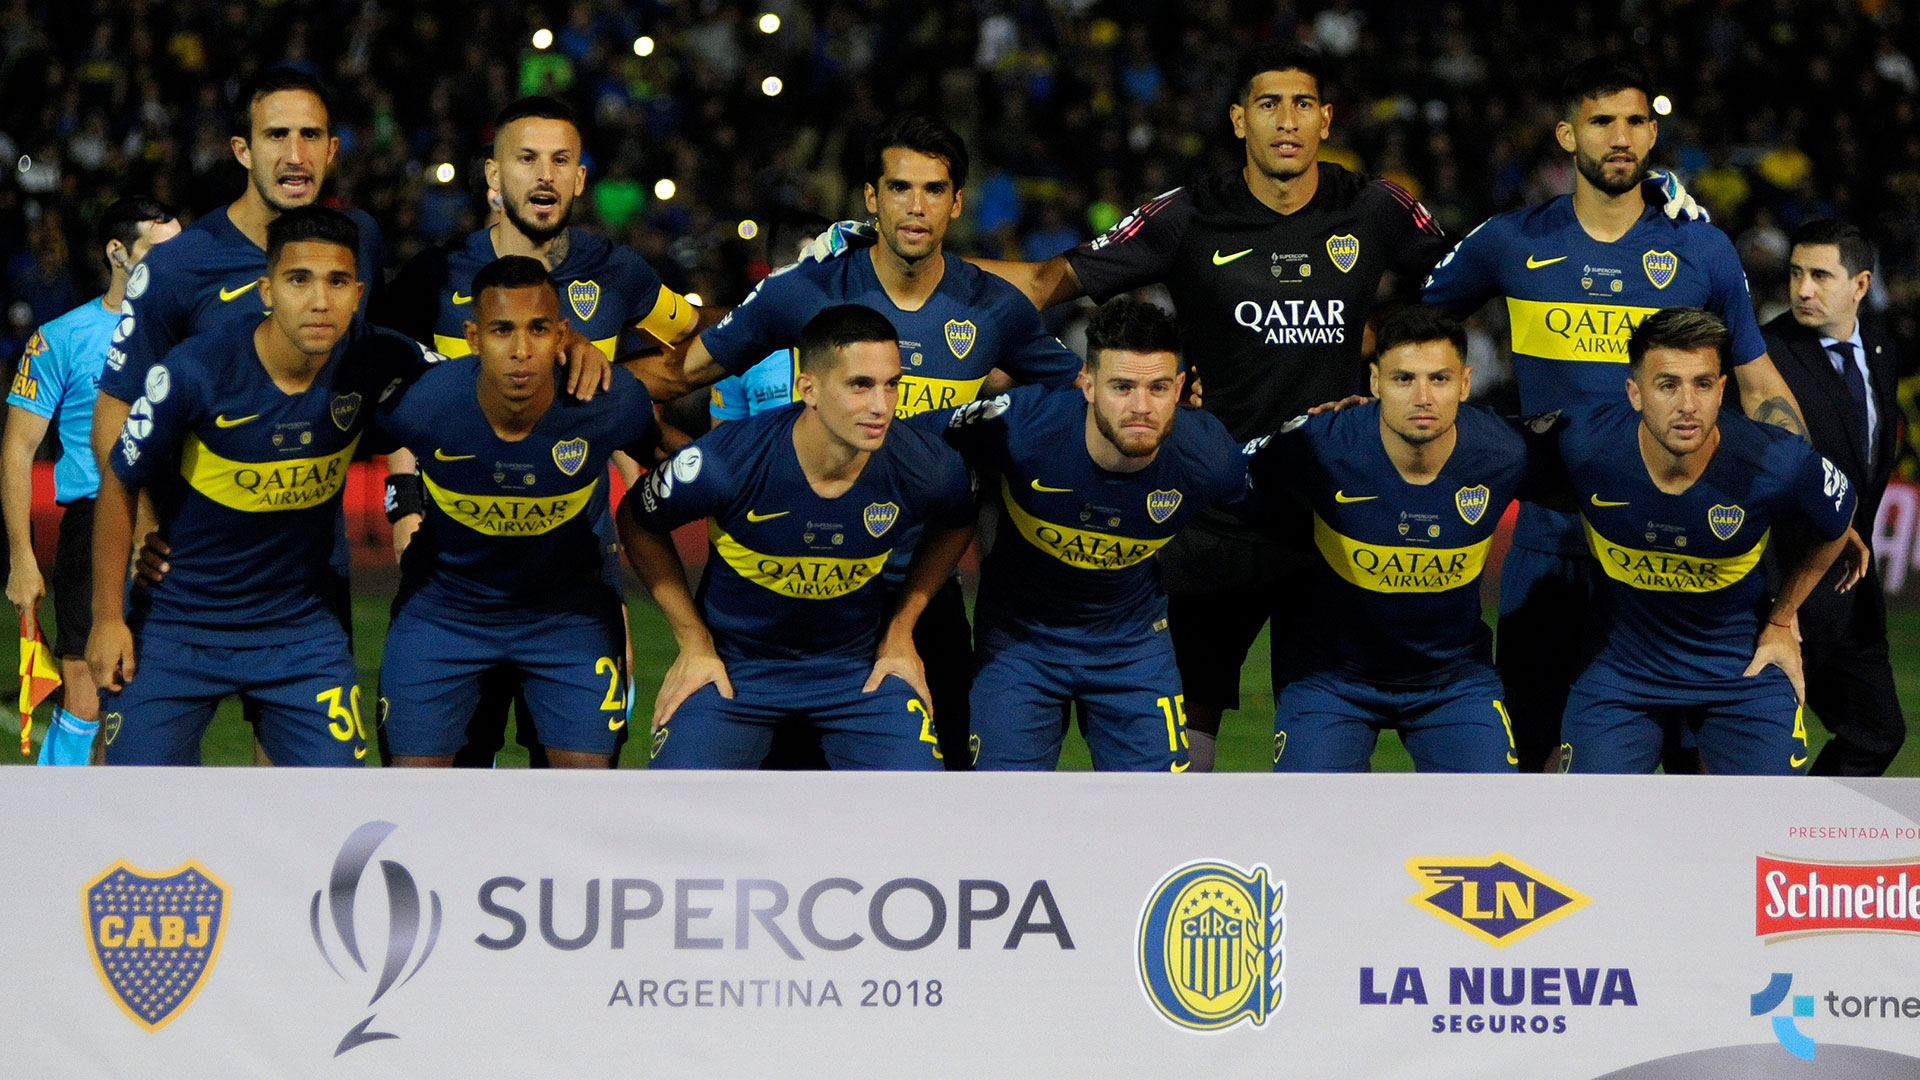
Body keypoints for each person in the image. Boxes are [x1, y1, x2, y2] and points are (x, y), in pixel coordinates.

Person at [961, 41, 1456, 770]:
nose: (1285, 121)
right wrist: (910, 262)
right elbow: (1042, 281)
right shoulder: (1188, 215)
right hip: (1208, 517)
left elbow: (1467, 279)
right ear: (1237, 119)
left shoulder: (1375, 208)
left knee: (1322, 749)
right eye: (1267, 104)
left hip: (1332, 520)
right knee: (1184, 753)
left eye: (1302, 104)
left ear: (1325, 119)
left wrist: (1391, 366)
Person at [1421, 56, 1819, 772]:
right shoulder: (1511, 241)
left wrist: (1809, 490)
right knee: (1537, 760)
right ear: (1567, 134)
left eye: (1636, 120)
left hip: (1677, 555)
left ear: (1653, 134)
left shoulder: (1700, 247)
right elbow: (1409, 335)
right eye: (1601, 121)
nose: (1621, 136)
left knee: (1697, 771)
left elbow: (1759, 383)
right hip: (1552, 547)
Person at [659, 114, 1084, 770]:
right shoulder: (804, 291)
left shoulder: (994, 308)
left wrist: (1173, 399)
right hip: (799, 586)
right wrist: (594, 374)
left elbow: (1087, 396)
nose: (916, 206)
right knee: (781, 790)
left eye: (934, 190)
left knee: (934, 792)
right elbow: (681, 373)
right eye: (899, 188)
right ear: (870, 197)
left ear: (956, 202)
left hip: (919, 586)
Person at [86, 208, 438, 765]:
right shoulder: (193, 371)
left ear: (358, 295)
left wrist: (572, 351)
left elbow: (483, 380)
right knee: (137, 801)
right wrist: (107, 620)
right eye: (299, 280)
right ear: (266, 290)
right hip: (177, 625)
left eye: (337, 282)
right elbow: (119, 479)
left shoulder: (381, 356)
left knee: (339, 803)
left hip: (302, 634)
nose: (319, 300)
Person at [375, 94, 663, 767]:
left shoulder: (619, 272)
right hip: (450, 574)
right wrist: (404, 511)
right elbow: (395, 403)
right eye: (527, 158)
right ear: (493, 175)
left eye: (560, 161)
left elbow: (683, 359)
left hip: (573, 579)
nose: (544, 175)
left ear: (580, 178)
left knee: (575, 796)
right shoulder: (432, 276)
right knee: (438, 788)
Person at [619, 304, 973, 770]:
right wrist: (693, 641)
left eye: (891, 384)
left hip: (858, 674)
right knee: (676, 803)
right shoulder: (727, 462)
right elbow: (636, 518)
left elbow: (957, 519)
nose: (881, 406)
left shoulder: (926, 464)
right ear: (809, 388)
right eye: (860, 385)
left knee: (921, 805)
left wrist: (902, 630)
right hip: (733, 673)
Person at [913, 299, 1246, 771]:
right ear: (1087, 384)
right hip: (1018, 645)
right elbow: (902, 439)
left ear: (1180, 388)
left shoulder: (1211, 457)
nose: (1141, 407)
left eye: (1157, 388)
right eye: (1122, 386)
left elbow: (1277, 498)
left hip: (1133, 646)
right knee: (1001, 804)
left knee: (1160, 807)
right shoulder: (1021, 425)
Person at [1554, 308, 1855, 774]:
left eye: (1702, 384)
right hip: (1622, 673)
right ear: (1634, 393)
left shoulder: (1773, 459)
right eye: (1667, 385)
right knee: (1585, 812)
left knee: (1775, 813)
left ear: (1721, 389)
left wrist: (1781, 619)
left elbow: (1838, 520)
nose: (1688, 405)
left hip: (1741, 671)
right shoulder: (1581, 445)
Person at [1249, 306, 1533, 772]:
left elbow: (1592, 467)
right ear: (1375, 382)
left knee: (1493, 812)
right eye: (1404, 379)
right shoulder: (1319, 442)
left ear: (1465, 383)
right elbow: (1227, 471)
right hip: (1331, 680)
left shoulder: (1507, 449)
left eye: (1439, 379)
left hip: (1456, 682)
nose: (1423, 397)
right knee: (1306, 813)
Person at [3, 197, 179, 764]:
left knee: (157, 697)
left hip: (178, 525)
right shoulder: (60, 337)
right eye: (160, 251)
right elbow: (17, 448)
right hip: (96, 523)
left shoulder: (197, 331)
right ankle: (55, 818)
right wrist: (22, 558)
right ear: (117, 253)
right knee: (86, 697)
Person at [1760, 219, 1905, 775]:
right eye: (1796, 273)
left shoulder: (1882, 352)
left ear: (1861, 284)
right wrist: (1777, 604)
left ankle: (1809, 828)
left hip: (1853, 598)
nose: (1802, 289)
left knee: (1878, 733)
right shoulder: (1764, 355)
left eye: (1820, 275)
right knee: (1756, 758)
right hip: (1781, 593)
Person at [708, 210, 833, 426]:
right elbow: (725, 442)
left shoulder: (869, 342)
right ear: (778, 276)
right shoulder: (738, 348)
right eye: (814, 274)